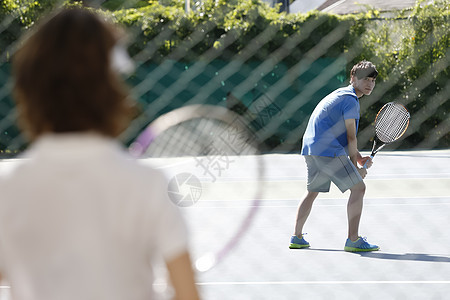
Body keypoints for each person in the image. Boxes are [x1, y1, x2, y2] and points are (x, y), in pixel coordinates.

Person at [0, 8, 200, 300]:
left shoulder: (8, 190)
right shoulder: (147, 184)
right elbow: (187, 295)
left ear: (30, 90)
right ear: (111, 90)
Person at [290, 61, 379, 252]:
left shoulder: (340, 94)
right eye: (365, 79)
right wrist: (356, 169)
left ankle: (296, 237)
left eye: (372, 80)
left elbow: (338, 133)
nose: (369, 84)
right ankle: (353, 240)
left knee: (312, 191)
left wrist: (358, 158)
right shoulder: (351, 100)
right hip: (327, 150)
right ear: (353, 78)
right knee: (358, 188)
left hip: (311, 148)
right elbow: (350, 136)